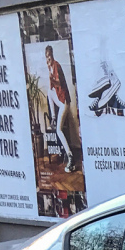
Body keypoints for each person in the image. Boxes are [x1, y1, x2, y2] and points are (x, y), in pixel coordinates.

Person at [44, 45, 76, 173]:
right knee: (48, 92)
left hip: (64, 102)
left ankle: (70, 156)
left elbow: (59, 83)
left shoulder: (56, 66)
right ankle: (53, 117)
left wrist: (52, 79)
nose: (48, 59)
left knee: (58, 130)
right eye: (46, 57)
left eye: (49, 57)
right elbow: (52, 89)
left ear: (52, 55)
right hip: (59, 99)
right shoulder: (50, 67)